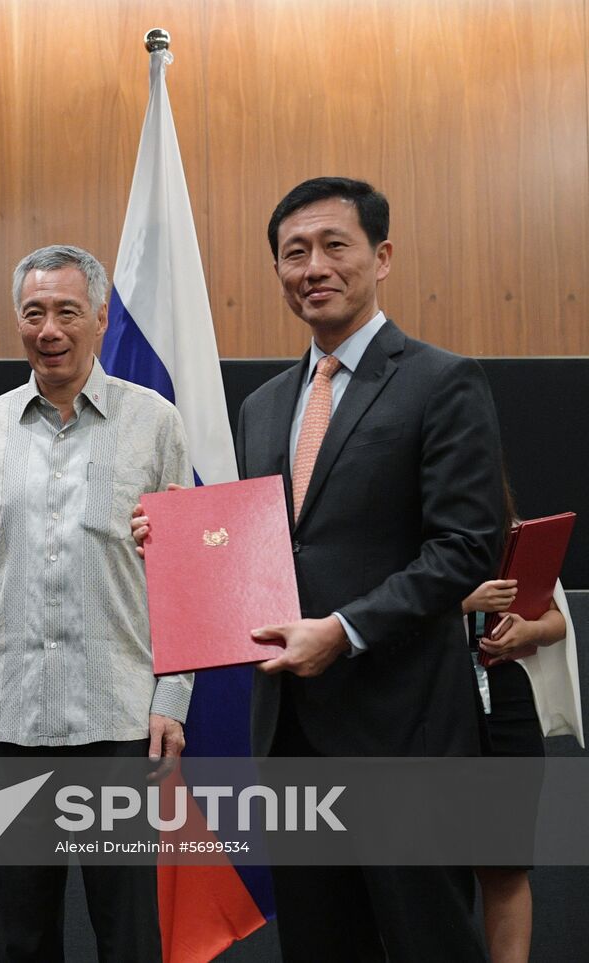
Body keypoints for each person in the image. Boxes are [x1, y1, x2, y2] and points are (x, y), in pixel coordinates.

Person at [136, 176, 504, 960]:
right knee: (319, 945)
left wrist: (344, 629)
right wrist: (178, 540)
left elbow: (465, 547)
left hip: (406, 733)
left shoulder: (442, 381)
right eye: (293, 252)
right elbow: (265, 550)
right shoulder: (265, 405)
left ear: (382, 256)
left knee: (430, 941)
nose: (313, 267)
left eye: (335, 245)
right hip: (292, 733)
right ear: (277, 270)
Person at [0, 244, 191, 962]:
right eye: (33, 313)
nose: (48, 329)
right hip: (10, 723)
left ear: (102, 318)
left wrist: (173, 699)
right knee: (18, 940)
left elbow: (183, 578)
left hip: (121, 723)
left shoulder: (156, 423)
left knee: (129, 937)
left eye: (67, 312)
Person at [463, 488, 584, 963]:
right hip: (427, 706)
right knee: (427, 869)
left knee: (506, 864)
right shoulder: (396, 539)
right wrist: (460, 602)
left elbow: (556, 621)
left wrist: (527, 630)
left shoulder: (516, 536)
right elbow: (379, 617)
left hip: (506, 703)